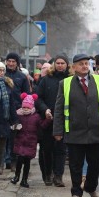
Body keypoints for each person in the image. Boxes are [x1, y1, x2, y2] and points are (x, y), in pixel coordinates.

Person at [53, 53, 99, 197]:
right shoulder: (65, 84)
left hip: (96, 130)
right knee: (75, 164)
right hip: (74, 130)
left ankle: (91, 187)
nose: (85, 66)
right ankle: (76, 193)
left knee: (95, 163)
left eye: (87, 63)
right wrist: (58, 131)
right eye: (81, 64)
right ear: (73, 67)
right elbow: (59, 108)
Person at [35, 54, 71, 187]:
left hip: (64, 120)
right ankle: (47, 174)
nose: (60, 65)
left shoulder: (71, 80)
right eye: (58, 63)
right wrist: (45, 110)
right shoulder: (46, 80)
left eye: (63, 63)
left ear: (67, 65)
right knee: (47, 148)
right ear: (54, 64)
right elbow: (38, 98)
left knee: (61, 149)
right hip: (48, 120)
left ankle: (58, 176)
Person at [11, 94, 51, 187]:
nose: (25, 109)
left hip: (30, 143)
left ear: (32, 106)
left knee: (27, 162)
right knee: (19, 159)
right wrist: (14, 127)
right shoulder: (18, 115)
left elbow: (42, 125)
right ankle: (16, 176)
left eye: (27, 107)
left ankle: (24, 179)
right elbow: (13, 124)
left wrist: (48, 120)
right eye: (24, 107)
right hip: (20, 141)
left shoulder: (36, 117)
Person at [3, 52, 32, 171]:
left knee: (15, 137)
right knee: (3, 137)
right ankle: (3, 162)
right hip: (3, 110)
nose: (10, 63)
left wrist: (24, 108)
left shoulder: (21, 77)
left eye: (13, 61)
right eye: (9, 61)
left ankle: (13, 161)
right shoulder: (1, 74)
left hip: (17, 110)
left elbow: (27, 94)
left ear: (17, 63)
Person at [0, 61, 18, 187]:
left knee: (0, 152)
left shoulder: (7, 85)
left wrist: (15, 121)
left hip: (2, 124)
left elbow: (11, 105)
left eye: (2, 70)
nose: (1, 72)